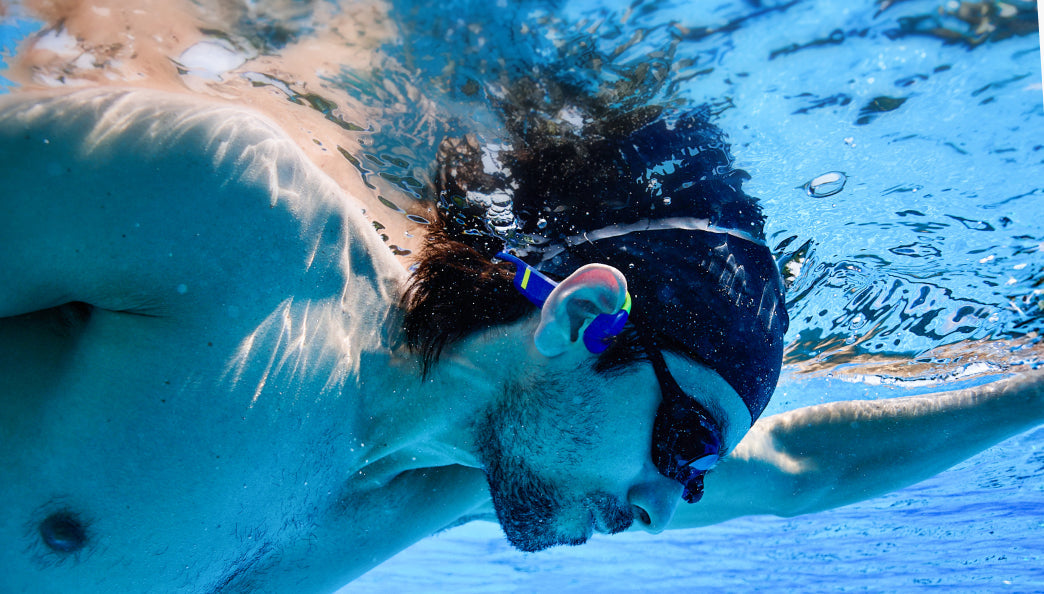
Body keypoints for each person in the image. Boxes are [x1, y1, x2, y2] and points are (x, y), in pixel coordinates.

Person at [0, 87, 1039, 594]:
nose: (664, 507)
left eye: (694, 475)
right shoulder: (230, 223)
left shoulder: (444, 483)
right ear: (582, 320)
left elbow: (809, 468)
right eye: (685, 445)